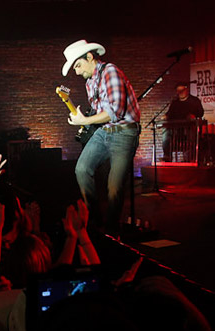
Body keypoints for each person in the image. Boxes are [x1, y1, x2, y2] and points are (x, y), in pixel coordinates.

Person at [62, 39, 141, 234]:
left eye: (78, 65)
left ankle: (111, 231)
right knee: (81, 169)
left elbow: (115, 111)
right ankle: (95, 222)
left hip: (124, 133)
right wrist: (86, 120)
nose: (78, 72)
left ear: (90, 57)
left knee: (114, 187)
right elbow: (100, 113)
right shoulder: (90, 82)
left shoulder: (110, 72)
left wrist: (84, 122)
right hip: (104, 131)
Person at [161, 81, 205, 162]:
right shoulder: (175, 103)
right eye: (178, 91)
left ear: (186, 90)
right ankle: (167, 155)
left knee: (191, 133)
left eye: (182, 90)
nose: (180, 93)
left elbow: (201, 113)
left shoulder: (194, 101)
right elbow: (170, 114)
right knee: (165, 132)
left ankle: (190, 157)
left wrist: (194, 116)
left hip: (189, 127)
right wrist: (166, 116)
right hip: (176, 129)